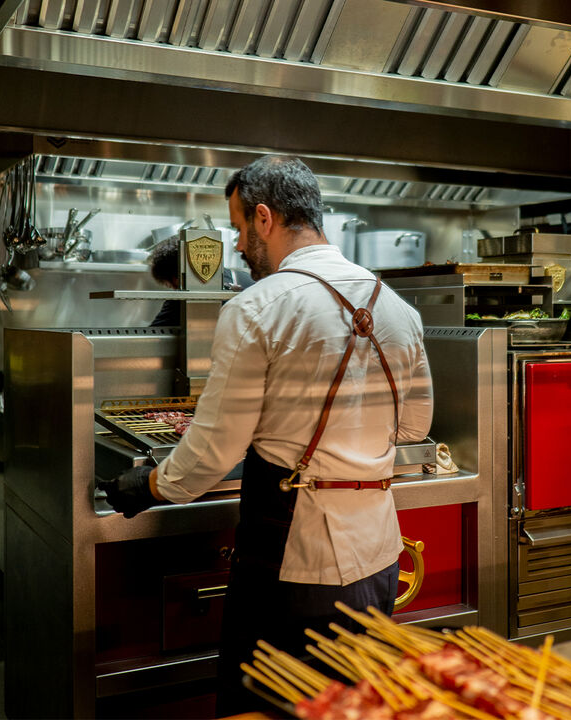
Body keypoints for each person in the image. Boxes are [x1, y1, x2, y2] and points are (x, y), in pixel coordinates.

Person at [100, 155, 433, 716]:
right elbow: (413, 428)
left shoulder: (256, 308)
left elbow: (213, 453)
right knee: (356, 707)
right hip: (379, 555)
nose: (236, 245)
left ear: (263, 217)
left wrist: (148, 486)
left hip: (295, 567)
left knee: (268, 707)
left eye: (237, 228)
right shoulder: (398, 308)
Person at [147, 234, 253, 326]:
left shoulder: (181, 300)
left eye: (169, 285)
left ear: (176, 278)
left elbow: (153, 336)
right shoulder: (249, 280)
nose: (174, 289)